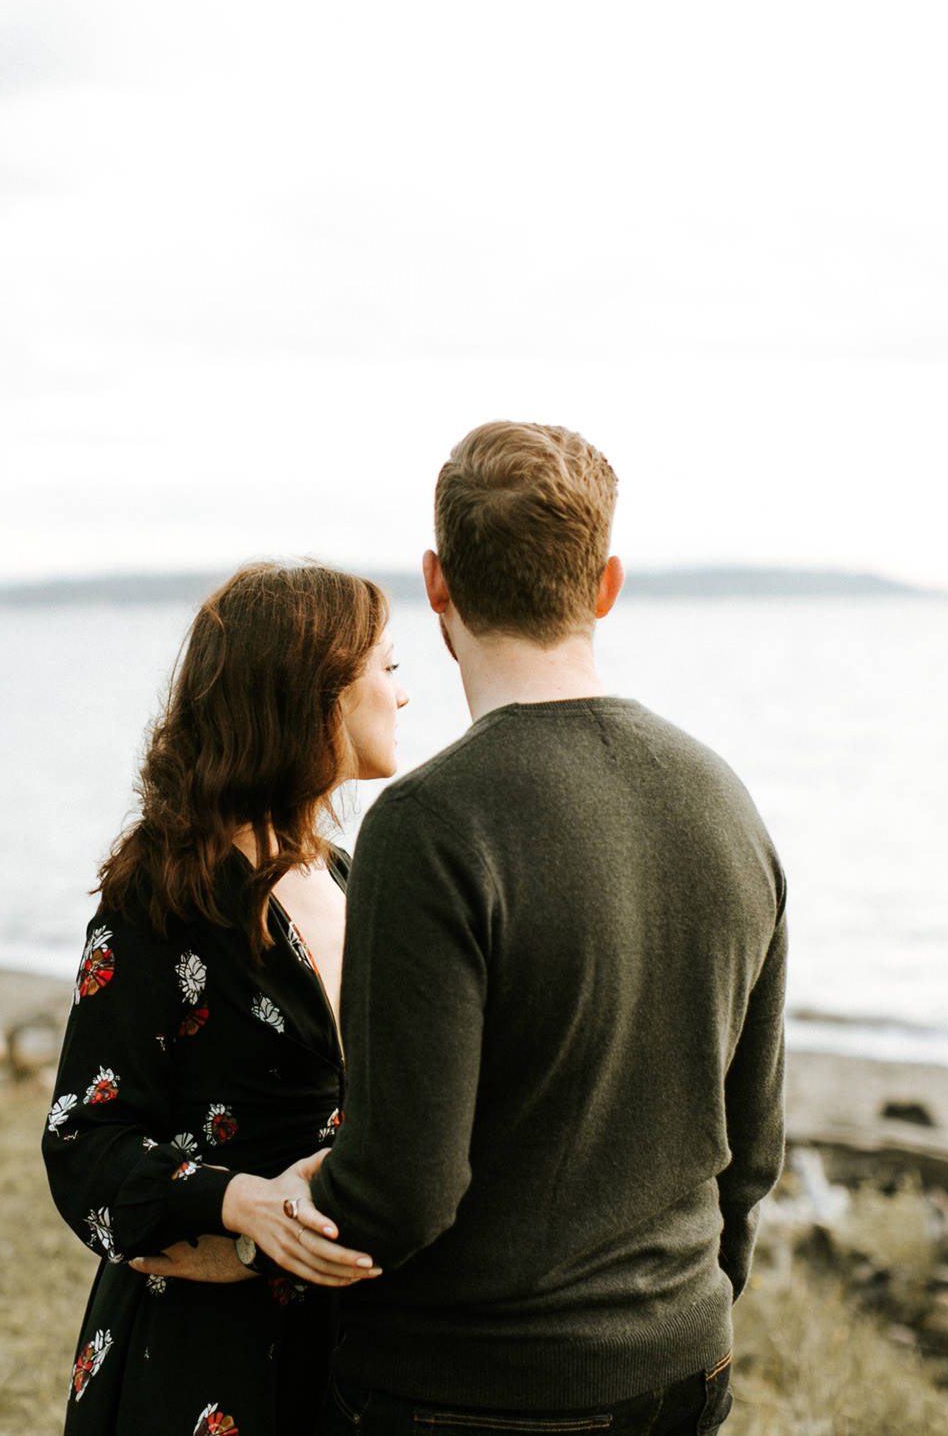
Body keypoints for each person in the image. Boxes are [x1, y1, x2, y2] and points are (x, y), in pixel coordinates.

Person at [279, 422, 787, 1435]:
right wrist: (692, 1304)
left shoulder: (428, 823)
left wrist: (277, 1203)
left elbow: (403, 1185)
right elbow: (752, 1135)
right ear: (603, 584)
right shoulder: (724, 799)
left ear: (435, 585)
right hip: (686, 1364)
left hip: (471, 1390)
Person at [43, 561, 408, 1435]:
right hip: (204, 1356)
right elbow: (82, 1142)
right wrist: (241, 1201)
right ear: (312, 694)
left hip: (359, 1351)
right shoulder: (163, 893)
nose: (402, 694)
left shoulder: (356, 879)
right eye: (387, 669)